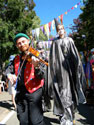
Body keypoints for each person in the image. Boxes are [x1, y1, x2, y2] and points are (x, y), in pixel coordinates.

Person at [48, 18, 86, 125]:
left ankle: (70, 116)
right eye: (58, 29)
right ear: (57, 31)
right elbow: (52, 59)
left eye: (62, 29)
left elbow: (75, 58)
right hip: (59, 73)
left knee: (70, 93)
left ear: (64, 30)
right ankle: (64, 118)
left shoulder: (70, 40)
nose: (60, 31)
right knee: (61, 93)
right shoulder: (55, 42)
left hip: (69, 71)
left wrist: (76, 70)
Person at [5, 33, 46, 125]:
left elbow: (42, 76)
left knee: (36, 121)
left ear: (28, 41)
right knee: (23, 121)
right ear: (17, 46)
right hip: (21, 92)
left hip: (34, 92)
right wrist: (9, 75)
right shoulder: (16, 58)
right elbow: (8, 69)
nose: (22, 44)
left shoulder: (37, 55)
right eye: (19, 43)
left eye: (23, 41)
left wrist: (36, 67)